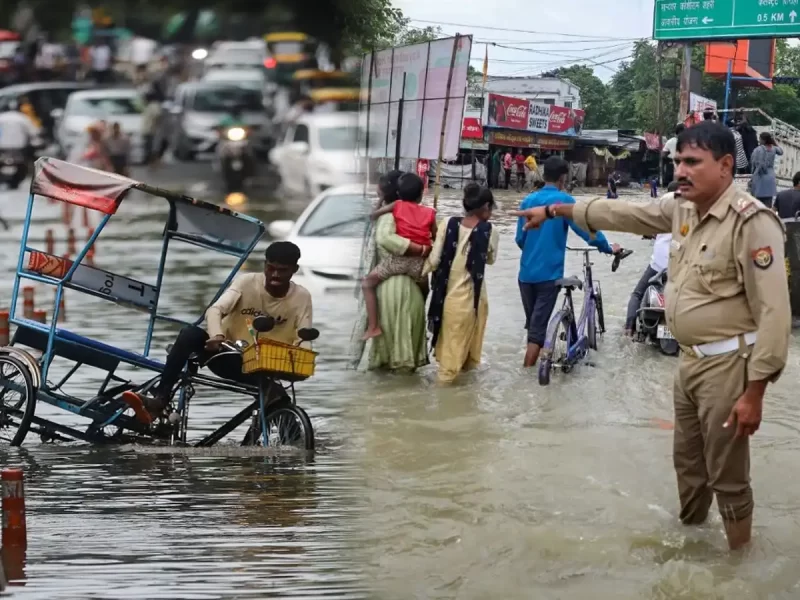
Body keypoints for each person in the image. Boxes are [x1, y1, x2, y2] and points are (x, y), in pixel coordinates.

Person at [511, 120, 790, 550]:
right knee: (688, 467)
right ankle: (693, 549)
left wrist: (755, 392)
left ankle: (739, 565)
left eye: (693, 162)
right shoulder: (680, 208)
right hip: (689, 362)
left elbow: (775, 314)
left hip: (729, 366)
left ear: (726, 165)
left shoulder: (751, 222)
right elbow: (622, 214)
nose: (681, 170)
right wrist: (554, 211)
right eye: (678, 160)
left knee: (728, 476)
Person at [122, 242, 313, 423]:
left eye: (282, 270)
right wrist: (217, 336)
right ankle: (160, 399)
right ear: (264, 265)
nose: (275, 275)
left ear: (294, 270)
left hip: (268, 364)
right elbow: (215, 310)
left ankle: (290, 441)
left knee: (279, 399)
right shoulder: (247, 283)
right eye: (271, 268)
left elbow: (304, 335)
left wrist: (304, 358)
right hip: (229, 356)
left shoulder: (302, 297)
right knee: (190, 334)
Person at [516, 156, 619, 368]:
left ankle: (538, 359)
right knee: (537, 333)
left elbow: (520, 239)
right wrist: (607, 247)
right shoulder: (563, 202)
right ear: (563, 178)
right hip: (548, 276)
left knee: (534, 327)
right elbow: (586, 230)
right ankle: (528, 379)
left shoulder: (528, 201)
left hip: (525, 276)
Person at [350, 171, 430, 372]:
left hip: (388, 292)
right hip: (414, 290)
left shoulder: (387, 217)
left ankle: (372, 327)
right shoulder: (421, 215)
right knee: (407, 368)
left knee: (383, 369)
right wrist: (421, 250)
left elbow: (381, 243)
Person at [426, 184, 499, 383]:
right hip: (476, 301)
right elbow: (490, 260)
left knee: (448, 366)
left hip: (449, 302)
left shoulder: (447, 223)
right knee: (468, 363)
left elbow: (433, 261)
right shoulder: (490, 231)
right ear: (486, 207)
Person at [361, 173, 436, 340]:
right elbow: (435, 237)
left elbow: (375, 216)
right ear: (421, 194)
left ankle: (373, 326)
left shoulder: (397, 206)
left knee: (367, 283)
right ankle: (420, 319)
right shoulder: (430, 212)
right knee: (425, 290)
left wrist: (377, 206)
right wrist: (427, 249)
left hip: (399, 261)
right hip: (419, 264)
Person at [625, 181, 678, 336]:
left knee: (637, 294)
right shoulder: (690, 207)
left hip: (658, 264)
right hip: (680, 264)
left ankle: (628, 328)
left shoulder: (661, 206)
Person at [750, 132, 783, 208]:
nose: (759, 140)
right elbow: (781, 152)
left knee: (757, 201)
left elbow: (753, 163)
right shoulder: (774, 148)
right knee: (768, 202)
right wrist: (774, 142)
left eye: (760, 139)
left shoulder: (757, 149)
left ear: (763, 140)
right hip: (770, 176)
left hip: (760, 176)